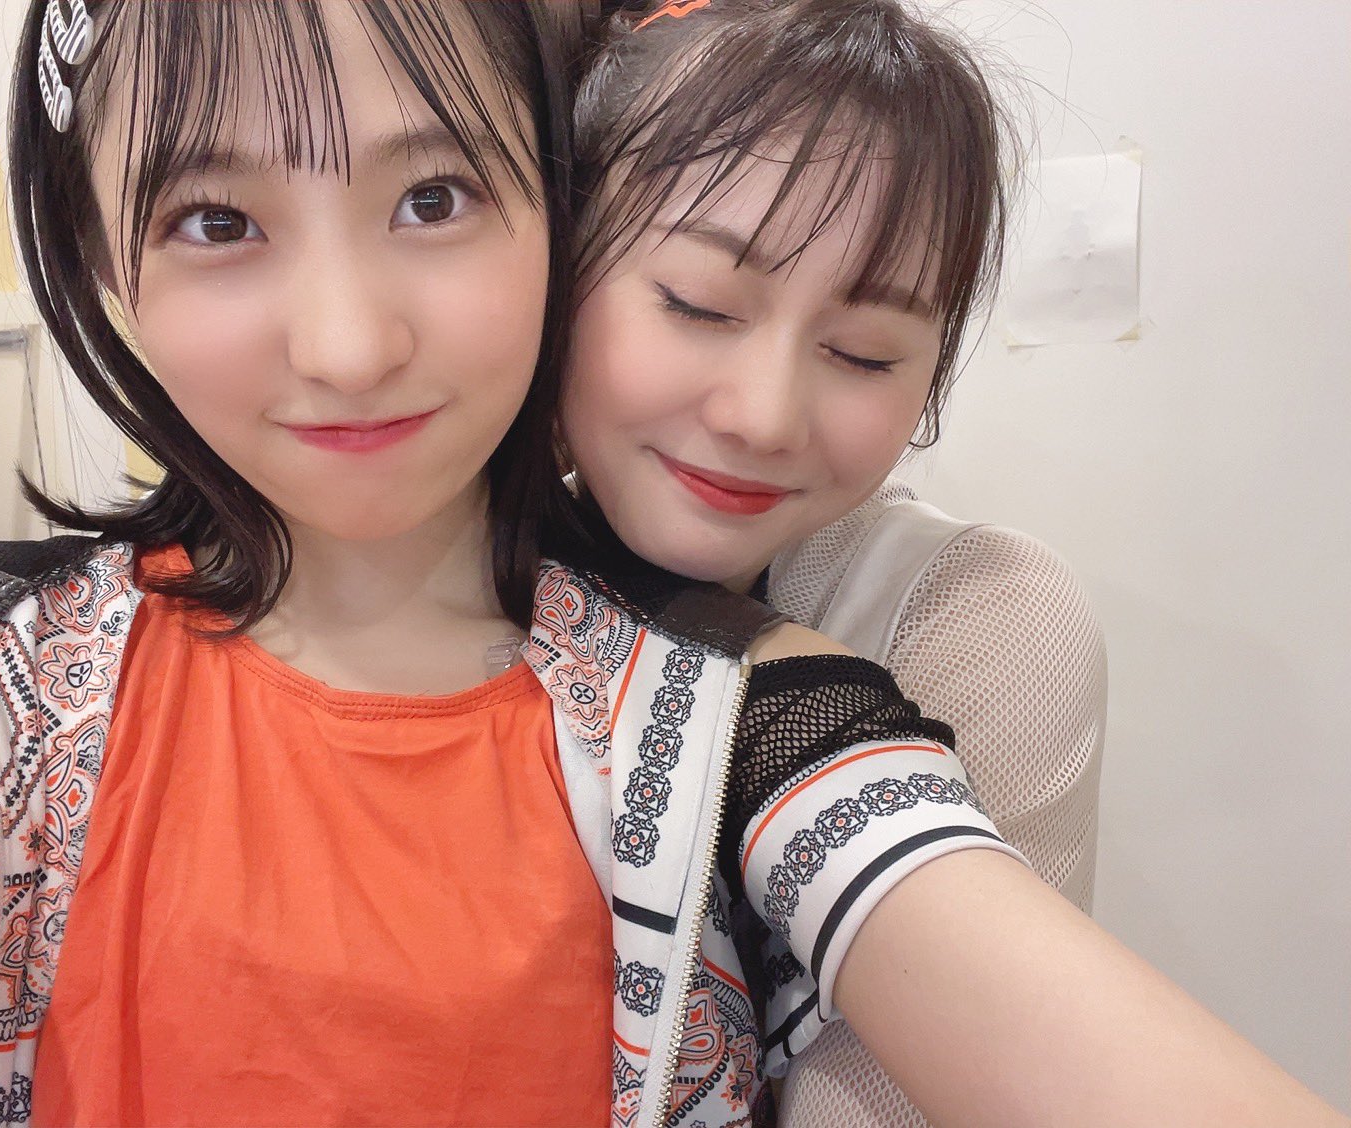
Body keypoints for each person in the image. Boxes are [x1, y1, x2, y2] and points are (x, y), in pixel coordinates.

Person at [0, 2, 1019, 1126]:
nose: (350, 348)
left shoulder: (746, 715)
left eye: (433, 198)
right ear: (102, 260)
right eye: (216, 221)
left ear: (559, 213)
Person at [558, 0, 1345, 1125]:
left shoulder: (976, 619)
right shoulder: (426, 566)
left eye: (862, 352)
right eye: (699, 304)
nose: (763, 416)